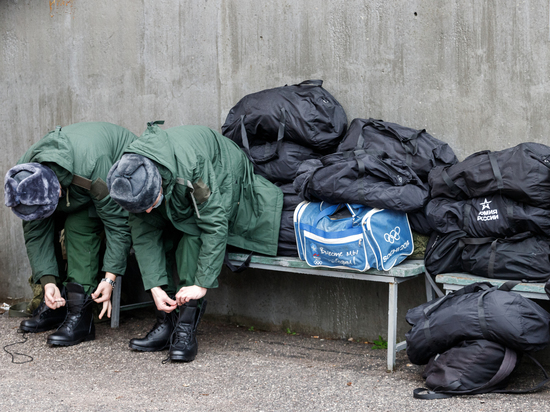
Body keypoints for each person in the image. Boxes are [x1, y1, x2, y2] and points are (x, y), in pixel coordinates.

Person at [107, 121, 283, 362]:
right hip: (178, 184)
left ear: (158, 183)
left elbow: (213, 224)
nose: (147, 211)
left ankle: (185, 325)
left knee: (192, 236)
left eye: (149, 204)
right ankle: (166, 321)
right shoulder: (133, 175)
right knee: (157, 230)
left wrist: (201, 285)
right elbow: (144, 234)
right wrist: (155, 286)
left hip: (225, 173)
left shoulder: (193, 168)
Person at [4, 122, 137, 346]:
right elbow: (36, 233)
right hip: (73, 183)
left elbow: (118, 224)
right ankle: (56, 304)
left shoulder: (94, 168)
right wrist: (48, 283)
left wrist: (109, 278)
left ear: (56, 188)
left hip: (116, 175)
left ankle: (80, 313)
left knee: (79, 226)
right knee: (40, 223)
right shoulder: (25, 175)